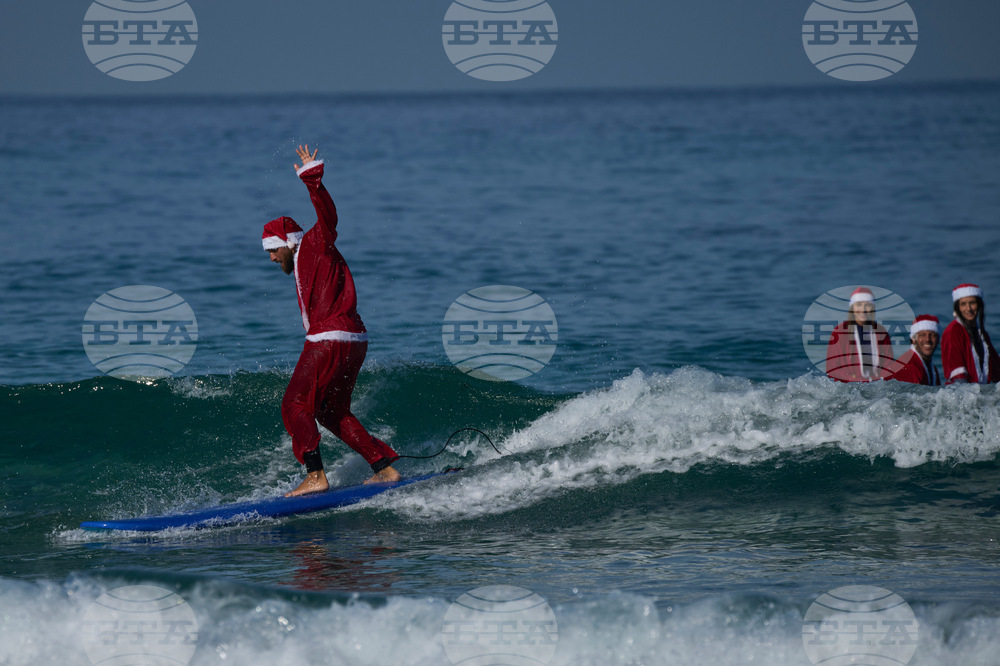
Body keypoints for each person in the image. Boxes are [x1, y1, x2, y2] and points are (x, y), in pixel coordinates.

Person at [263, 144, 400, 497]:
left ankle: (314, 475)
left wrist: (312, 179)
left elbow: (328, 218)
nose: (271, 257)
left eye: (272, 250)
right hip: (353, 338)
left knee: (294, 403)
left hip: (331, 336)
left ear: (286, 243)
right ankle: (383, 468)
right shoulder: (306, 260)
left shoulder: (312, 243)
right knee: (330, 410)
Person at [826, 287, 896, 382]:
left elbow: (888, 365)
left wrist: (880, 382)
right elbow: (832, 368)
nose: (863, 310)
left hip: (877, 385)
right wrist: (857, 381)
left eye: (867, 305)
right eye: (858, 305)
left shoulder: (881, 332)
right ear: (852, 308)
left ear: (872, 308)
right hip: (849, 386)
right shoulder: (839, 332)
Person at [941, 283, 1000, 384]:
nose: (968, 309)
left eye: (972, 303)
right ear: (957, 307)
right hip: (961, 394)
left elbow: (995, 367)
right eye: (963, 304)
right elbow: (957, 373)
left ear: (979, 304)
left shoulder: (981, 333)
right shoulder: (953, 331)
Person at [891, 315, 941, 386]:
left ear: (938, 339)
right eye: (922, 335)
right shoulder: (909, 368)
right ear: (913, 339)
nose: (927, 339)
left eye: (932, 335)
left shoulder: (933, 369)